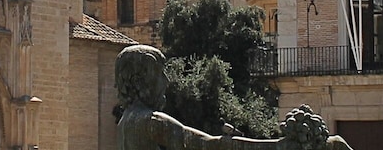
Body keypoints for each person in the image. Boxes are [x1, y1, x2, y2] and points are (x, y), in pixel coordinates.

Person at [114, 45, 344, 150]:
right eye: (159, 74)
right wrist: (280, 146)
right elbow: (211, 144)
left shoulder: (127, 120)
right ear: (137, 80)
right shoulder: (152, 122)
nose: (166, 81)